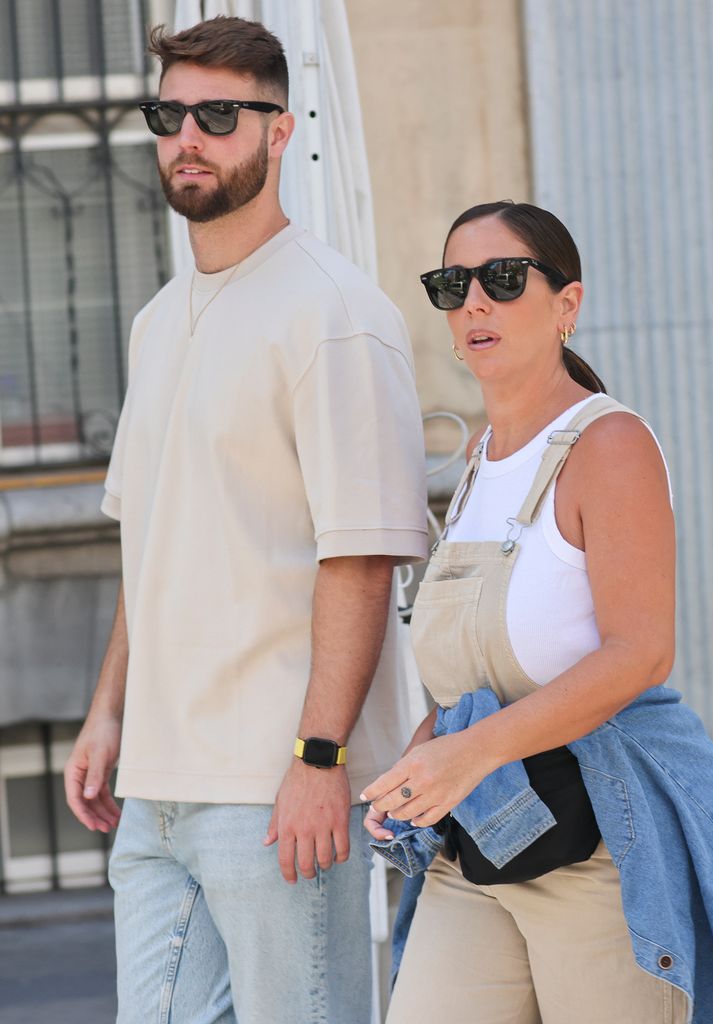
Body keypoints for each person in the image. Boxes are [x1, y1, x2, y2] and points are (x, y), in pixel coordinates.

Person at [64, 16, 428, 1024]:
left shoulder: (333, 313)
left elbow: (356, 557)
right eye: (169, 113)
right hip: (159, 789)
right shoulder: (155, 321)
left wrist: (321, 759)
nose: (188, 136)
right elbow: (157, 538)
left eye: (219, 115)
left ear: (280, 131)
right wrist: (107, 713)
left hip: (277, 788)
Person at [362, 201, 713, 1024]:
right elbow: (475, 680)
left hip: (601, 845)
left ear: (567, 303)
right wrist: (422, 762)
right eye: (454, 285)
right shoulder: (478, 464)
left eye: (501, 278)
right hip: (481, 838)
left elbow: (639, 654)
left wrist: (467, 754)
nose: (474, 303)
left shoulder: (609, 444)